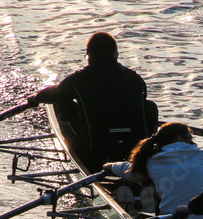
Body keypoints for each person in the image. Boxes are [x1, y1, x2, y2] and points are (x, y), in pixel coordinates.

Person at [28, 32, 158, 171]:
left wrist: (36, 97)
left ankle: (75, 152)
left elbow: (55, 93)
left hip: (92, 154)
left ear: (88, 55)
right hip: (133, 153)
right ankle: (146, 152)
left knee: (62, 102)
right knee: (149, 106)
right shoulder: (136, 80)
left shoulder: (80, 79)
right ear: (116, 54)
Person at [107, 122, 203, 219]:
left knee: (159, 184)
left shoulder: (152, 161)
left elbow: (131, 173)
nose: (193, 141)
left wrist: (111, 166)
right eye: (190, 138)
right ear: (179, 138)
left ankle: (148, 215)